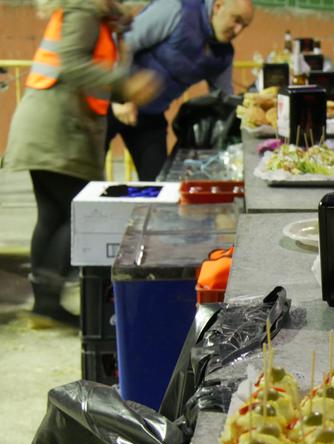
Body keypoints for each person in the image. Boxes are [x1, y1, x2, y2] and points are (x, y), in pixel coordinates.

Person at [1, 0, 160, 328]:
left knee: (54, 215)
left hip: (49, 126)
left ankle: (45, 305)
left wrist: (119, 34)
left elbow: (88, 72)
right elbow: (72, 64)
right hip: (57, 129)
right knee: (78, 215)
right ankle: (51, 304)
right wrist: (125, 84)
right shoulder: (83, 12)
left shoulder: (97, 18)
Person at [106, 0, 254, 181]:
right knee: (83, 178)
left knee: (161, 186)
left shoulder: (223, 55)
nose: (238, 31)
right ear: (218, 6)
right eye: (236, 20)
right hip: (109, 102)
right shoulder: (177, 9)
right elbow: (124, 42)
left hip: (150, 117)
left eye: (244, 26)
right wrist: (119, 96)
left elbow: (225, 102)